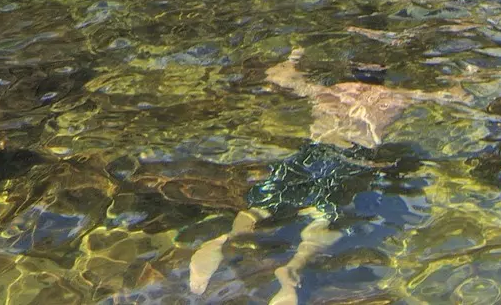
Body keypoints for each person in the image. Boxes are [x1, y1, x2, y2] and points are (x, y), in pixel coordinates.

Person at [189, 48, 469, 303]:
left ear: (351, 70)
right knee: (326, 215)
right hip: (353, 158)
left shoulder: (328, 90)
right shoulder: (395, 97)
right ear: (383, 75)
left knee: (263, 203)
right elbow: (454, 98)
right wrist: (462, 79)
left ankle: (222, 240)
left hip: (312, 152)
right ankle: (293, 268)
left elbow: (279, 76)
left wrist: (294, 56)